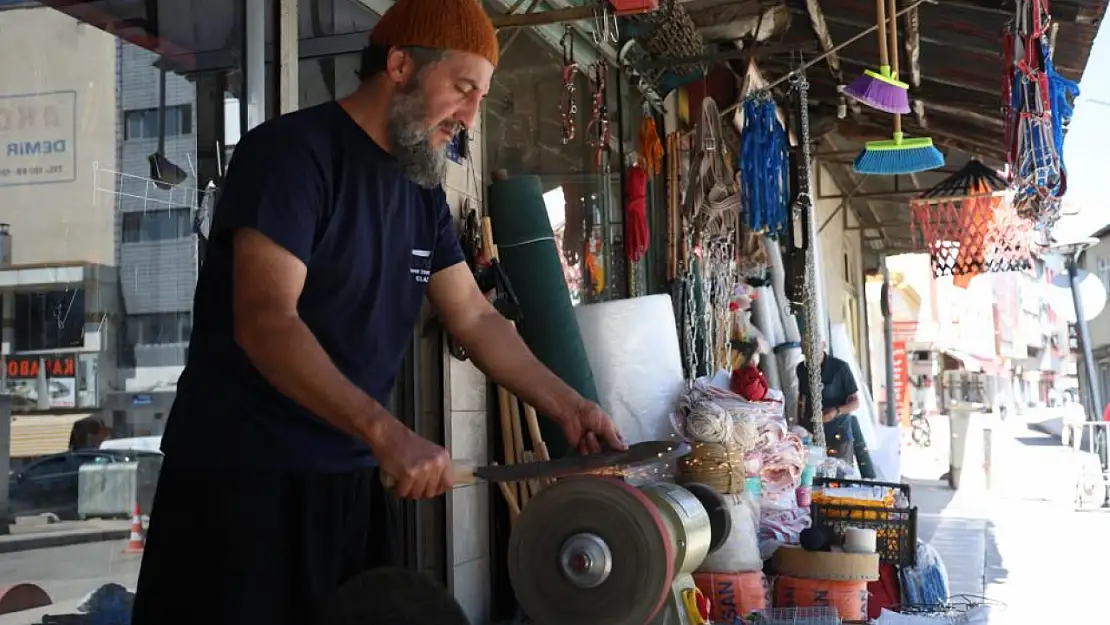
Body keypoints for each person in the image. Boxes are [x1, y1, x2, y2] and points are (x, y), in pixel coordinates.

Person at [130, 2, 624, 623]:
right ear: (399, 64)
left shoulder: (420, 191)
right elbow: (265, 321)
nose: (470, 116)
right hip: (243, 482)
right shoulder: (292, 155)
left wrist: (571, 408)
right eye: (463, 89)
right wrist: (387, 433)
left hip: (351, 481)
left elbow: (474, 317)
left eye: (480, 97)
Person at [796, 342, 876, 479]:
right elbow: (802, 398)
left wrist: (836, 411)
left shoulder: (840, 368)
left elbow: (855, 403)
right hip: (812, 434)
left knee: (839, 478)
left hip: (838, 433)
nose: (810, 356)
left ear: (823, 346)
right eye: (806, 352)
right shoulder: (802, 369)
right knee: (813, 477)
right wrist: (800, 424)